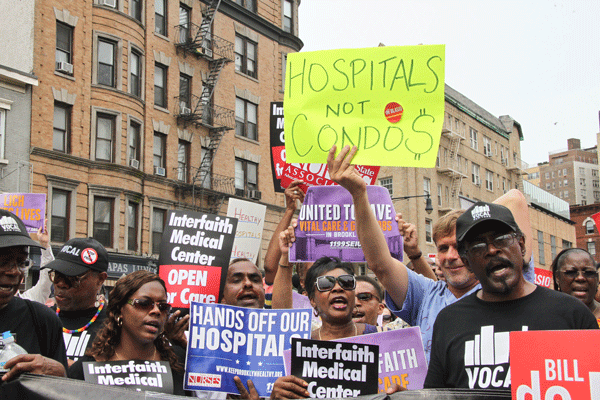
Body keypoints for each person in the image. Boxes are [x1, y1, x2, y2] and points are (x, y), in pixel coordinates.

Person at [326, 145, 534, 360]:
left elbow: (515, 198)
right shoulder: (426, 295)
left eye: (460, 246)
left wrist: (469, 223)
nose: (451, 256)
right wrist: (359, 194)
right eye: (443, 248)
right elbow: (380, 264)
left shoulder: (504, 285)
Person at [424, 201, 598, 390]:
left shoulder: (572, 314)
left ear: (521, 245)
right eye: (478, 245)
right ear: (467, 261)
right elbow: (436, 394)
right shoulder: (449, 321)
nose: (492, 250)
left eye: (501, 238)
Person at [68, 270, 190, 396]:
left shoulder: (179, 364)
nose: (156, 311)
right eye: (144, 303)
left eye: (163, 306)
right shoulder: (85, 369)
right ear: (119, 311)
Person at [0, 209, 67, 382]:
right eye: (3, 261)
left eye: (22, 263)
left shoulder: (43, 320)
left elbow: (63, 391)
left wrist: (60, 376)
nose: (14, 271)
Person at [45, 237, 109, 365]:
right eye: (57, 275)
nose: (61, 284)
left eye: (72, 278)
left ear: (100, 279)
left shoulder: (113, 326)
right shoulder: (40, 319)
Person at [552, 248, 600, 325]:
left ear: (597, 279)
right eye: (571, 272)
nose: (580, 278)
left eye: (588, 272)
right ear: (557, 278)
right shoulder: (544, 315)